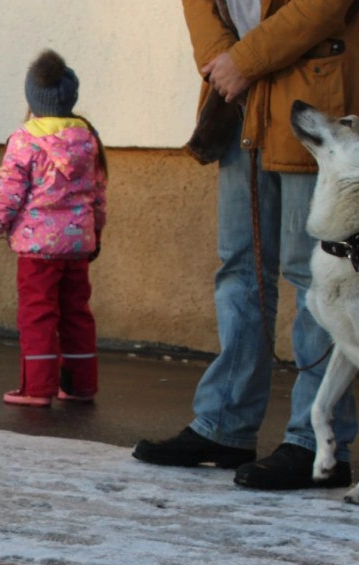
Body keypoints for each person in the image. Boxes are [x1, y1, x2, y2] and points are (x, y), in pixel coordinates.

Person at [134, 0, 359, 490]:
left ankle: (317, 444)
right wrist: (222, 64)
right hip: (240, 103)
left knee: (313, 278)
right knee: (239, 268)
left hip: (309, 94)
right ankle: (224, 426)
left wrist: (243, 61)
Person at [0, 49, 107, 407]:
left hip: (37, 250)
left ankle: (38, 388)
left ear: (33, 98)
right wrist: (97, 234)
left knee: (38, 314)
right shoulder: (87, 139)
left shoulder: (24, 141)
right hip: (78, 245)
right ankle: (81, 386)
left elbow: (8, 196)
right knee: (77, 313)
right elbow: (97, 194)